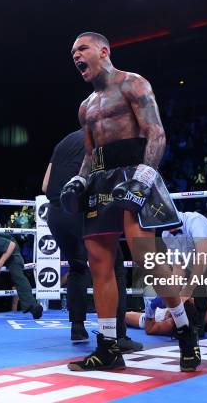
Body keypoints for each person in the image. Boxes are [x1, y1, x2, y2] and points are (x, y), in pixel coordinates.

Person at [62, 32, 199, 372]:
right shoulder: (85, 107)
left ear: (103, 51)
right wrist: (79, 179)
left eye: (82, 48)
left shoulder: (133, 84)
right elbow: (91, 154)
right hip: (101, 179)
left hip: (136, 173)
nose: (76, 55)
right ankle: (108, 346)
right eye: (72, 52)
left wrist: (143, 179)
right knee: (99, 263)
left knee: (146, 258)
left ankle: (185, 329)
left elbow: (156, 133)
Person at [42, 129, 142, 352]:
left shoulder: (62, 142)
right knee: (114, 264)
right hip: (78, 209)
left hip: (54, 214)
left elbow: (45, 186)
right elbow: (103, 178)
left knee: (78, 267)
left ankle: (77, 327)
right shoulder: (103, 137)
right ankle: (118, 336)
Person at [161, 210, 207, 337]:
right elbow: (178, 268)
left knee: (195, 279)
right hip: (199, 269)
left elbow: (204, 258)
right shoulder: (166, 234)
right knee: (206, 312)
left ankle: (197, 326)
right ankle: (191, 323)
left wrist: (187, 290)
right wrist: (173, 302)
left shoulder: (195, 221)